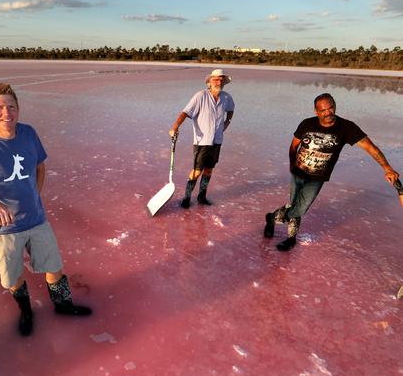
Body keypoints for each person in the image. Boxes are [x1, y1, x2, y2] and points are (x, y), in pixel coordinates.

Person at [0, 83, 91, 336]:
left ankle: (63, 305)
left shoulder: (29, 133)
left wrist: (34, 195)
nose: (6, 112)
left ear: (18, 109)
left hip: (37, 219)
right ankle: (26, 310)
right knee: (11, 278)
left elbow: (40, 166)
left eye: (11, 106)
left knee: (54, 267)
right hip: (5, 228)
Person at [264, 93, 401, 251]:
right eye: (323, 110)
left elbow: (370, 147)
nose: (328, 112)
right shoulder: (307, 124)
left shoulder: (346, 127)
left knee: (301, 207)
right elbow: (294, 145)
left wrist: (387, 167)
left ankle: (272, 217)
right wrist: (291, 164)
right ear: (316, 111)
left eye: (331, 108)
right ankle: (291, 238)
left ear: (335, 106)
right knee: (293, 204)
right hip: (298, 173)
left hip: (317, 177)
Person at [169, 68, 235, 208]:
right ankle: (186, 198)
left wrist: (227, 123)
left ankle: (201, 197)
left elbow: (231, 110)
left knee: (209, 169)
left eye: (221, 79)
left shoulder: (227, 97)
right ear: (209, 82)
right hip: (202, 141)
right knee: (197, 170)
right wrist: (175, 127)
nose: (219, 81)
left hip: (217, 141)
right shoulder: (200, 96)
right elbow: (185, 112)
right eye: (216, 79)